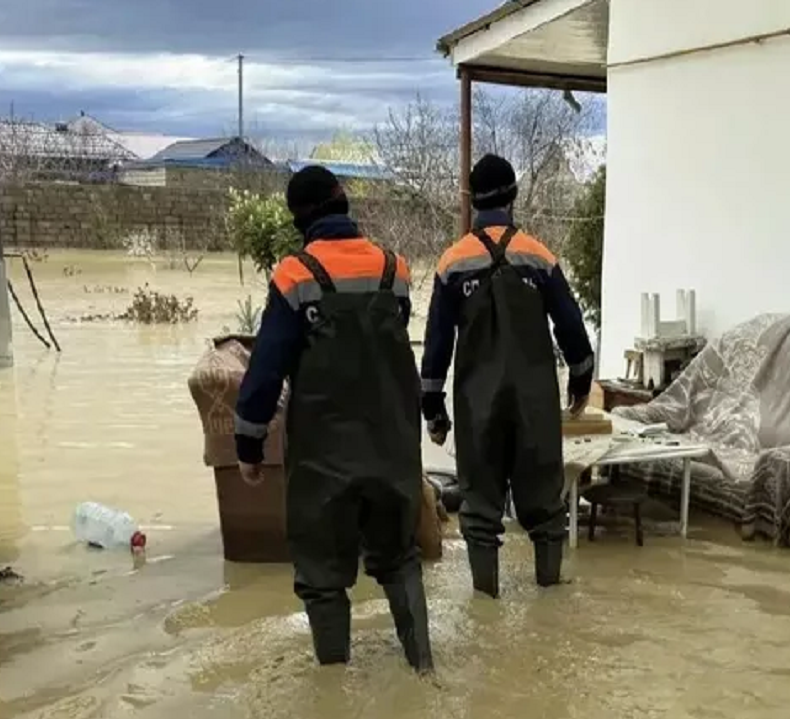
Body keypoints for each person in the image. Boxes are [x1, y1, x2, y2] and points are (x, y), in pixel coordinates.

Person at [234, 166, 434, 673]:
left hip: (325, 457)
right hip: (392, 448)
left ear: (299, 219)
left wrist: (249, 446)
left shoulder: (294, 276)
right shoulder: (397, 270)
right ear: (344, 202)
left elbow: (265, 372)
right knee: (399, 557)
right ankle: (423, 667)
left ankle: (334, 692)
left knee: (323, 574)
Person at [421, 154, 594, 598]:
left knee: (479, 511)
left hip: (478, 407)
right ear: (513, 196)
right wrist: (580, 377)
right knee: (545, 507)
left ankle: (485, 604)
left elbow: (437, 343)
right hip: (534, 404)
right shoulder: (538, 256)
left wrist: (433, 409)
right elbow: (571, 327)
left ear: (473, 200)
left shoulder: (452, 263)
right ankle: (550, 599)